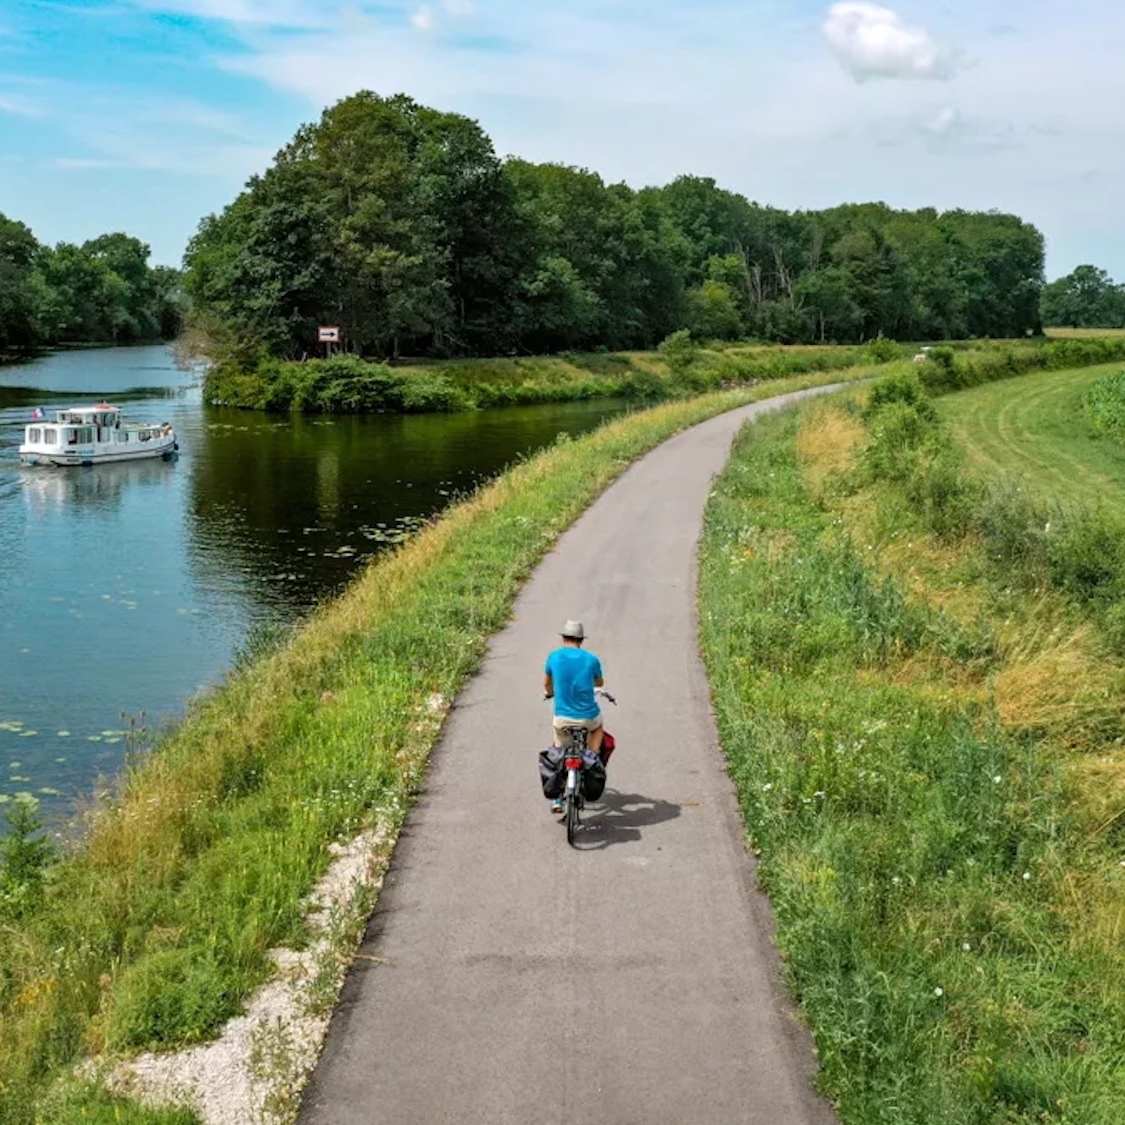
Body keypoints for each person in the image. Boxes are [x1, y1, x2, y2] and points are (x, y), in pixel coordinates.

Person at [543, 620, 604, 813]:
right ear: (581, 640)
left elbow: (547, 684)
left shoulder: (553, 657)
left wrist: (549, 693)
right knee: (598, 728)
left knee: (559, 752)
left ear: (563, 638)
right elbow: (600, 682)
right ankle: (591, 758)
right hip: (588, 718)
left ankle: (557, 799)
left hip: (562, 719)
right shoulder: (591, 659)